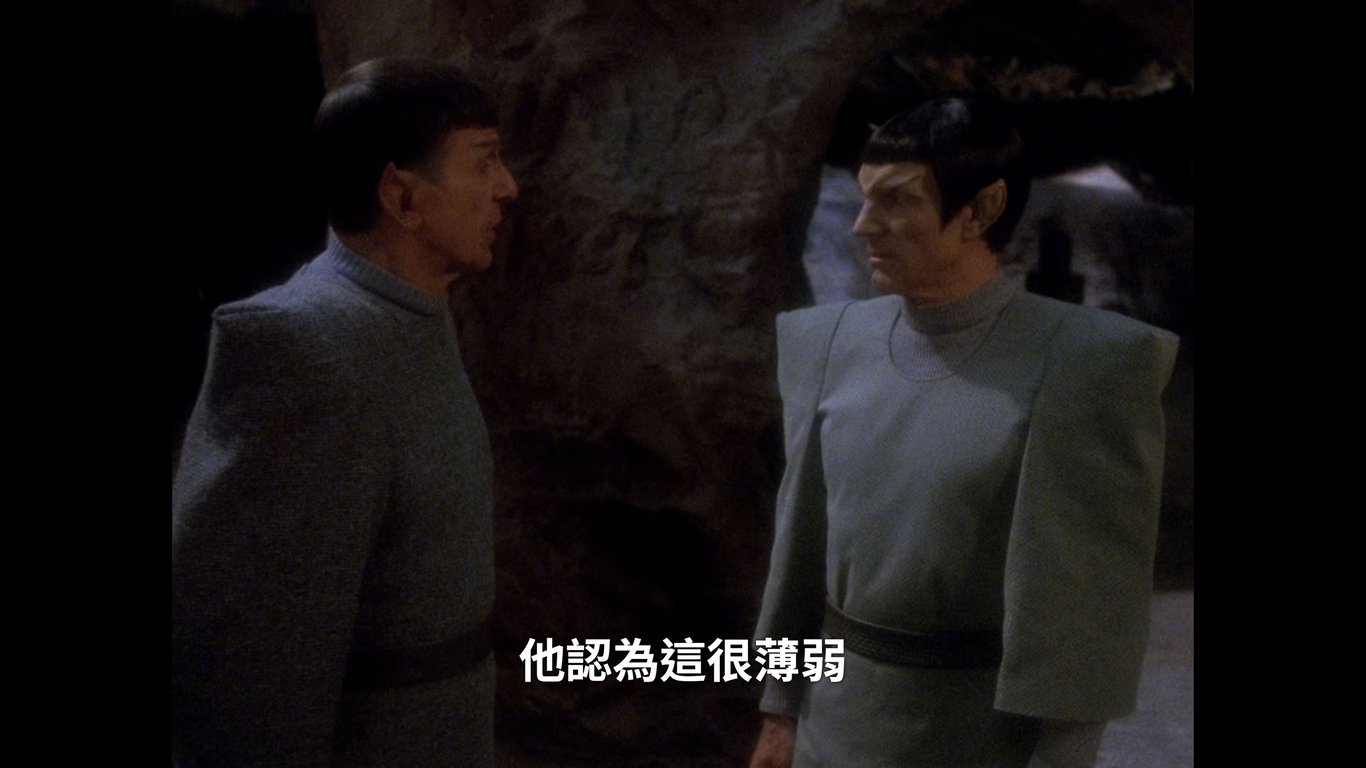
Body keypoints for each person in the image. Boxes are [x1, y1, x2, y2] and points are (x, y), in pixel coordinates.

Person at [747, 97, 1177, 768]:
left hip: (974, 737)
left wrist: (1061, 755)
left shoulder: (1085, 363)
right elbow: (797, 554)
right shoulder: (826, 342)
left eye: (896, 200)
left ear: (979, 210)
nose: (863, 225)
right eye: (864, 197)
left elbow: (1086, 610)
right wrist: (779, 713)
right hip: (831, 726)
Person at [172, 57, 518, 767]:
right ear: (402, 195)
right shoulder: (301, 344)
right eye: (483, 163)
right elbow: (248, 661)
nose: (506, 187)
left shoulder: (411, 311)